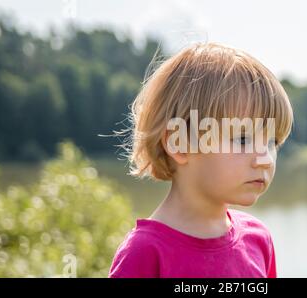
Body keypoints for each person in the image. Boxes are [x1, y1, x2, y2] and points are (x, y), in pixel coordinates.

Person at [108, 42, 294, 278]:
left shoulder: (258, 240)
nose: (265, 159)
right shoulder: (145, 254)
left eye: (272, 142)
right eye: (243, 139)